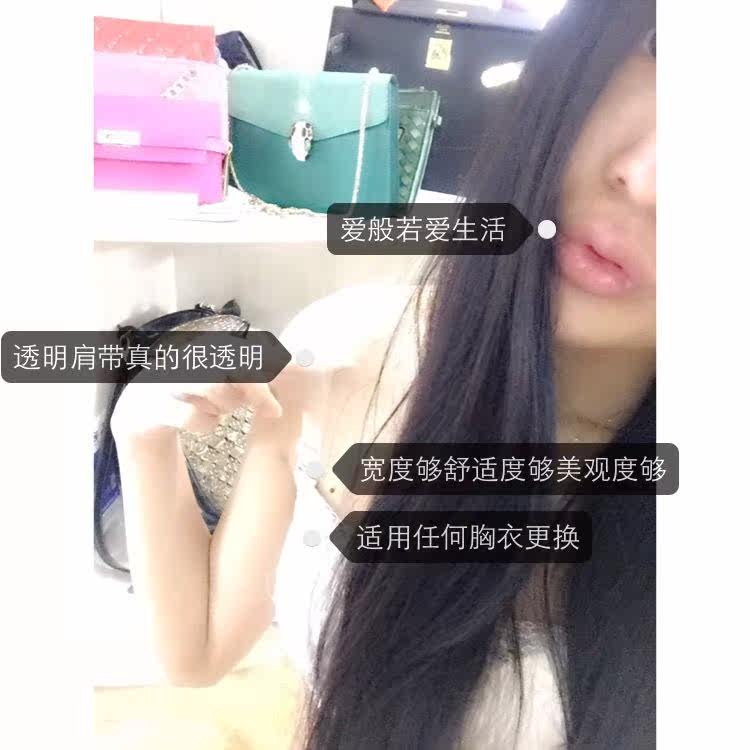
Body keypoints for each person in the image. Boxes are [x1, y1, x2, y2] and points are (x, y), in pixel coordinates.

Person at [111, 0, 657, 747]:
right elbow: (200, 649)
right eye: (663, 47)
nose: (649, 179)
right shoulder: (345, 343)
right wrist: (141, 437)